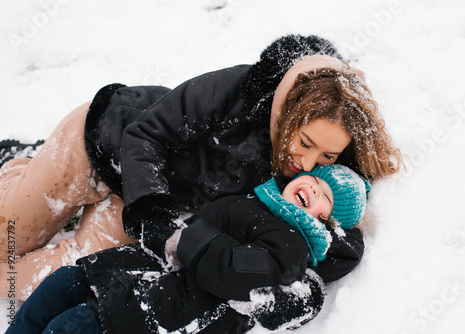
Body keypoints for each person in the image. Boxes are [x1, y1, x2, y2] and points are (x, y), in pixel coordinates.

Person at [0, 34, 402, 298]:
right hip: (101, 145)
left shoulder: (326, 166)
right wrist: (154, 214)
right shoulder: (236, 90)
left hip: (140, 200)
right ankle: (18, 168)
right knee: (10, 235)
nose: (308, 164)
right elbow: (145, 136)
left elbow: (343, 231)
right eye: (305, 143)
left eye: (326, 158)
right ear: (289, 111)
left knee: (41, 277)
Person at [6, 164, 370, 333]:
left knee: (72, 326)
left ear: (327, 223)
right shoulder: (259, 198)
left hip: (166, 306)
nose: (316, 191)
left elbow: (240, 271)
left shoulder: (293, 245)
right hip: (131, 271)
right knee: (58, 287)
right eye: (318, 181)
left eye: (326, 199)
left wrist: (186, 239)